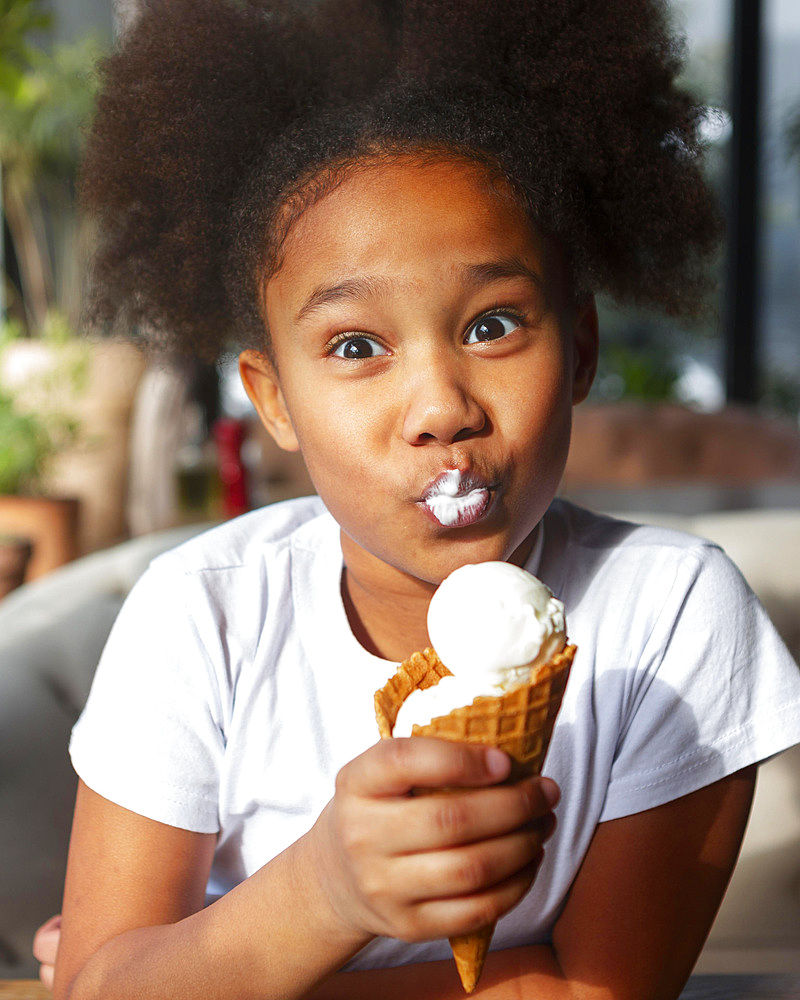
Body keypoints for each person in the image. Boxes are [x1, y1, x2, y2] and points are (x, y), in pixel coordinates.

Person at [33, 1, 800, 997]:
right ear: (273, 400)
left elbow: (593, 995)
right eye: (356, 346)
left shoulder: (673, 617)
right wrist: (323, 891)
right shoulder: (200, 616)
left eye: (491, 325)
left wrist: (211, 968)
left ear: (581, 347)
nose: (440, 407)